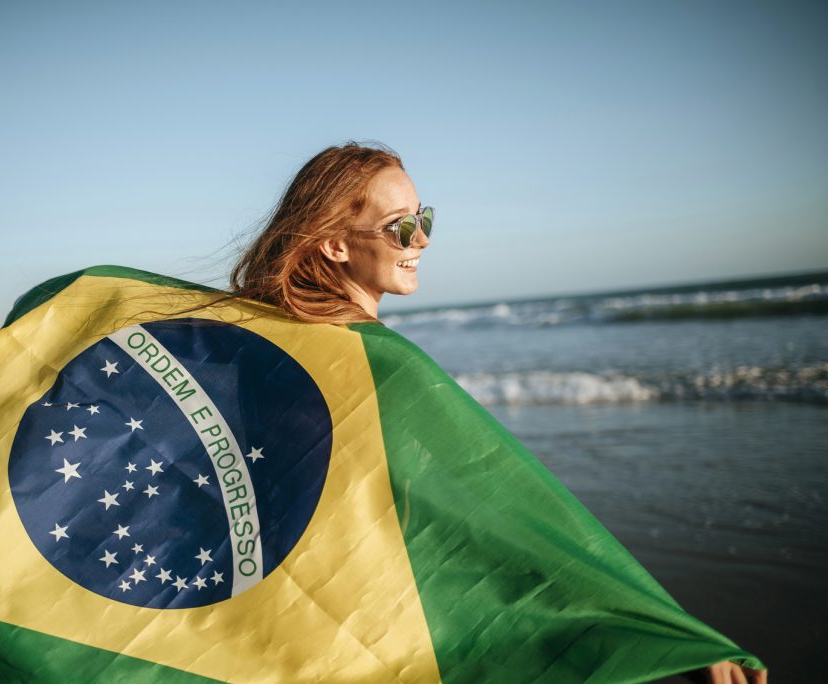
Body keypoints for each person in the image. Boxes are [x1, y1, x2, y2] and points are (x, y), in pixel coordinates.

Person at [229, 141, 768, 684]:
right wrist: (669, 636)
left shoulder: (277, 355)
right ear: (334, 246)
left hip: (304, 631)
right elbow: (514, 523)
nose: (421, 240)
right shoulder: (383, 369)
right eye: (399, 227)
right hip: (376, 631)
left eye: (424, 219)